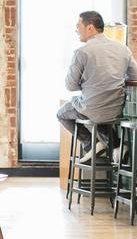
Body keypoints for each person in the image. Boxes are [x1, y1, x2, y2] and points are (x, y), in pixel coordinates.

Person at [57, 11, 137, 162]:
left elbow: (70, 85)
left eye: (78, 26)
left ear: (90, 28)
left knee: (62, 113)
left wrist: (86, 82)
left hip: (93, 109)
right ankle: (115, 146)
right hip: (115, 110)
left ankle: (92, 145)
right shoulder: (123, 49)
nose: (76, 30)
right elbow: (135, 76)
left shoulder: (82, 52)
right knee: (95, 112)